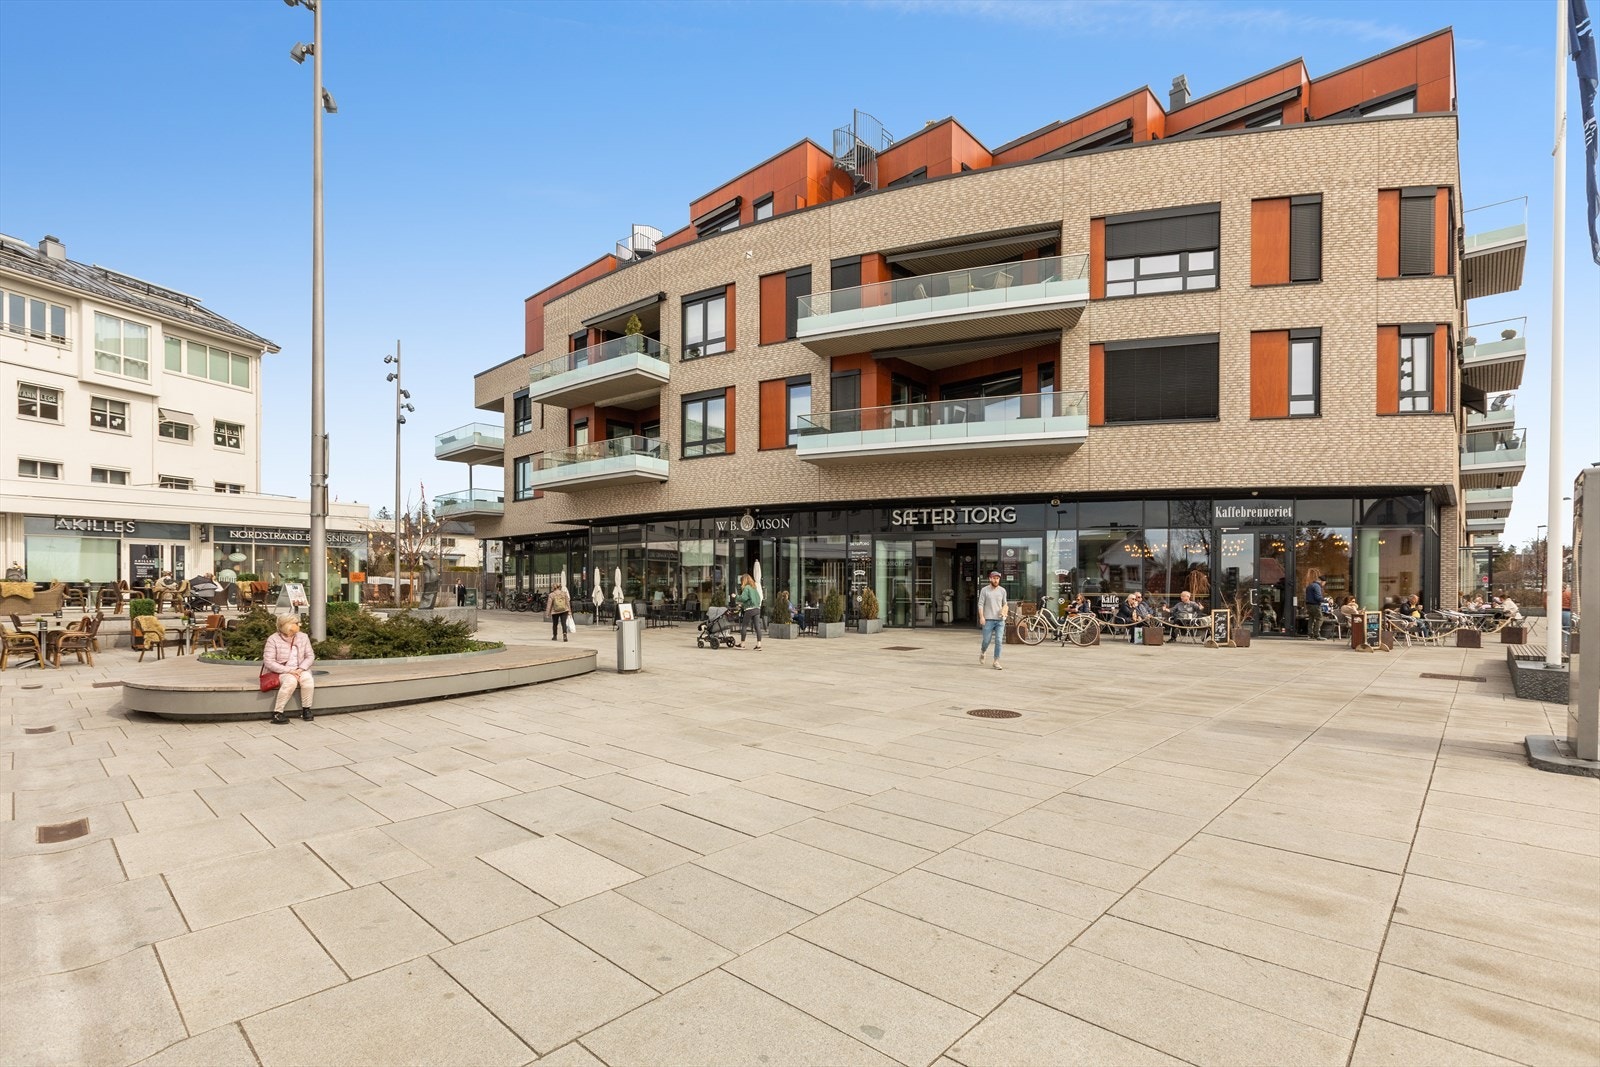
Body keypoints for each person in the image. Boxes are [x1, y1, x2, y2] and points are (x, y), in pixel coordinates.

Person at [263, 614, 315, 724]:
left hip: (300, 669)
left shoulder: (303, 637)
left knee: (308, 680)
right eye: (296, 623)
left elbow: (310, 656)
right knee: (290, 682)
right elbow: (269, 661)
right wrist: (289, 671)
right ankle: (278, 713)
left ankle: (306, 710)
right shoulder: (273, 639)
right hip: (281, 671)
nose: (299, 625)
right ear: (287, 625)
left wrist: (301, 669)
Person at [977, 571, 1007, 669]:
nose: (996, 580)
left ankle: (996, 661)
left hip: (1000, 620)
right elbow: (980, 604)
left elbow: (1005, 604)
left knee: (998, 640)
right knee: (986, 640)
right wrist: (981, 617)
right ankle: (983, 651)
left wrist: (1004, 612)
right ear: (990, 579)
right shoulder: (984, 590)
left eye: (997, 578)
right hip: (988, 620)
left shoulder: (1002, 591)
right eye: (994, 578)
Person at [735, 574, 764, 650]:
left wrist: (736, 596)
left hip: (750, 609)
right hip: (757, 609)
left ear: (744, 580)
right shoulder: (754, 588)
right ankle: (759, 645)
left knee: (744, 626)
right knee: (757, 627)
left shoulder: (747, 588)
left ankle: (742, 644)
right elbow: (757, 598)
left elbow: (743, 598)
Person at [1304, 569, 1325, 640]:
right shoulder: (1317, 586)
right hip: (1314, 605)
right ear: (1322, 581)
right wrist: (1325, 600)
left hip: (1308, 605)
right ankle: (1317, 634)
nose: (1324, 585)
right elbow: (1318, 597)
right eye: (1324, 583)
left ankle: (1310, 634)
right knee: (1320, 618)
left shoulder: (1310, 586)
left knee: (1311, 619)